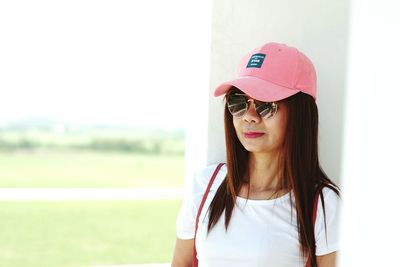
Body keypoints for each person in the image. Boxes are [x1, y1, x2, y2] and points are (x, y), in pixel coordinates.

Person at [171, 42, 341, 267]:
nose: (249, 117)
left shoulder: (322, 203)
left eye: (266, 105)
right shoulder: (205, 185)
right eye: (238, 102)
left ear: (300, 113)